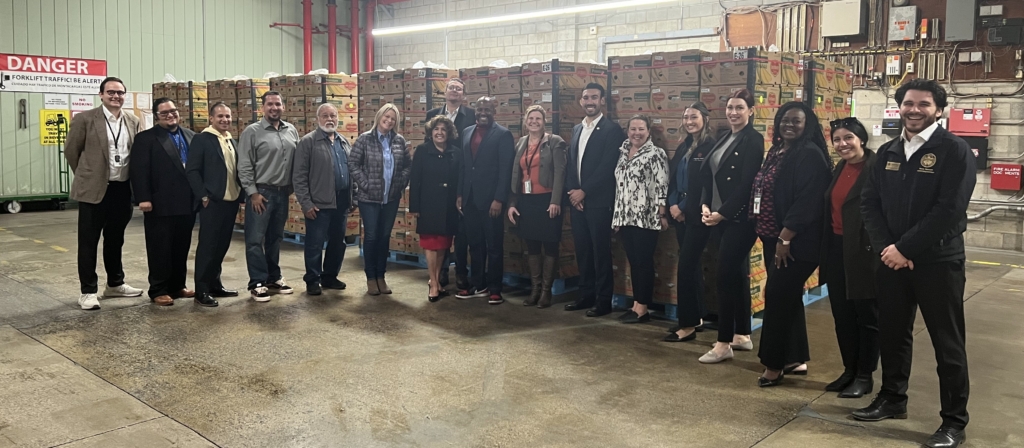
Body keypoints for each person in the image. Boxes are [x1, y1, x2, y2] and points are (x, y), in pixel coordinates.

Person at [855, 79, 975, 448]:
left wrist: (905, 248)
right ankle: (893, 399)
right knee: (892, 333)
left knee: (947, 343)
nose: (914, 110)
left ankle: (954, 422)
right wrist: (886, 248)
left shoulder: (954, 151)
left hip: (938, 262)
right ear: (899, 107)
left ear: (938, 110)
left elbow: (949, 211)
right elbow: (869, 204)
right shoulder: (889, 151)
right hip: (891, 261)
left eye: (924, 104)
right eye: (908, 103)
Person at [751, 102, 832, 387]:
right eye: (785, 120)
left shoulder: (809, 155)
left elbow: (807, 202)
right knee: (787, 297)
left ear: (807, 124)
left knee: (776, 296)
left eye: (796, 121)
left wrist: (786, 237)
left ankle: (773, 365)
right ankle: (795, 357)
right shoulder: (777, 150)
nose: (789, 125)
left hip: (797, 241)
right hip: (776, 237)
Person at [693, 89, 764, 364]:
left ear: (751, 111)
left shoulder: (753, 140)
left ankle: (723, 343)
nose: (734, 112)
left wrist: (722, 213)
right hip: (718, 216)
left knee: (724, 276)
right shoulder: (725, 137)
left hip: (739, 219)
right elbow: (707, 176)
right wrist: (704, 206)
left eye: (739, 108)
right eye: (730, 107)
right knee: (735, 274)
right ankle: (742, 334)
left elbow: (747, 184)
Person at [64, 76, 144, 310]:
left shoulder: (132, 120)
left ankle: (115, 284)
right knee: (88, 241)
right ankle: (88, 291)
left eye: (120, 92)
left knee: (115, 239)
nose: (116, 96)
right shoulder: (85, 119)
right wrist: (87, 175)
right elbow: (71, 151)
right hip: (94, 189)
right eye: (111, 92)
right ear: (101, 95)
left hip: (121, 189)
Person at [819, 117, 879, 397]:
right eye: (838, 140)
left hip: (864, 251)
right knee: (842, 314)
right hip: (836, 247)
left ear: (861, 139)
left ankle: (865, 375)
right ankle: (849, 369)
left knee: (865, 316)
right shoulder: (840, 167)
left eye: (849, 138)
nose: (843, 144)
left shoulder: (876, 168)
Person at [563, 83, 628, 317]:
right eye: (585, 97)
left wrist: (585, 191)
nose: (589, 101)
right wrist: (573, 191)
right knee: (583, 251)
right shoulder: (577, 129)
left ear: (602, 101)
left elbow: (608, 165)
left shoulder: (612, 130)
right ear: (581, 101)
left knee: (600, 252)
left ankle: (603, 300)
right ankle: (585, 295)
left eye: (594, 97)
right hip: (577, 202)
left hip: (599, 202)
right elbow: (571, 163)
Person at [129, 98, 199, 306]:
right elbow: (138, 170)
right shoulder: (146, 139)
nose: (170, 115)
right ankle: (158, 288)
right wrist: (143, 198)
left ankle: (178, 286)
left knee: (181, 246)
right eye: (164, 113)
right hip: (160, 203)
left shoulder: (191, 136)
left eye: (173, 111)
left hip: (186, 203)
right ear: (156, 117)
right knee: (160, 248)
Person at [237, 91, 300, 302]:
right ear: (262, 108)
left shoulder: (291, 130)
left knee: (275, 238)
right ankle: (257, 282)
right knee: (255, 239)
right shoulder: (252, 132)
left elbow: (296, 162)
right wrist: (252, 193)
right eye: (270, 104)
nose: (274, 108)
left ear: (283, 106)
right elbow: (244, 165)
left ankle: (274, 277)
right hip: (261, 194)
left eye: (278, 104)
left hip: (283, 192)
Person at [663, 102, 717, 342]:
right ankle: (696, 317)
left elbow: (705, 185)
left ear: (704, 118)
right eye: (686, 117)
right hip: (680, 214)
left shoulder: (710, 146)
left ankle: (686, 326)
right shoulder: (685, 145)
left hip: (696, 216)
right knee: (691, 267)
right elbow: (673, 178)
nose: (689, 121)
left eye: (693, 117)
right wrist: (673, 204)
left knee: (685, 268)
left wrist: (684, 208)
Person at [454, 97, 516, 305]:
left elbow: (505, 170)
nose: (483, 112)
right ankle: (478, 284)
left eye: (487, 109)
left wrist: (499, 199)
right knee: (475, 244)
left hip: (491, 202)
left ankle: (495, 289)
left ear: (494, 110)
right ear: (475, 111)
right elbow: (463, 166)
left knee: (494, 247)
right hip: (469, 199)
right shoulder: (466, 132)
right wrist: (460, 195)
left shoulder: (503, 134)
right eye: (480, 109)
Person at [507, 105, 568, 308]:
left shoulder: (554, 142)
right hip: (527, 201)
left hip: (547, 200)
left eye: (538, 118)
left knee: (549, 245)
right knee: (532, 246)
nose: (534, 121)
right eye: (531, 118)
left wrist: (555, 201)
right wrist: (513, 203)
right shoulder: (521, 143)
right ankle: (534, 289)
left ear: (544, 121)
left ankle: (546, 292)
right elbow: (515, 175)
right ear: (526, 121)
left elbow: (560, 173)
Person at [611, 115, 669, 324]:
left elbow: (662, 185)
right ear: (628, 131)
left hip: (646, 217)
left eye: (641, 129)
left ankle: (643, 308)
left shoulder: (656, 154)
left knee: (643, 263)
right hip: (626, 217)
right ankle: (636, 305)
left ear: (648, 132)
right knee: (634, 262)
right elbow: (620, 187)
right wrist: (617, 217)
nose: (636, 133)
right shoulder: (623, 152)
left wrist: (662, 214)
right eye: (633, 129)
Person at [185, 101, 243, 307]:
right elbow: (192, 170)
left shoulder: (230, 140)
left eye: (228, 116)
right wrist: (203, 196)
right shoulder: (202, 139)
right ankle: (201, 289)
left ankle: (215, 284)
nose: (225, 120)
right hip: (213, 202)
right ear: (211, 118)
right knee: (208, 246)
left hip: (231, 200)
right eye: (220, 116)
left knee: (222, 246)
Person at [350, 103, 411, 296]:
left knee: (384, 237)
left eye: (393, 118)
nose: (389, 121)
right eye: (386, 116)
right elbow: (353, 163)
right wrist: (365, 184)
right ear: (379, 117)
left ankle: (381, 276)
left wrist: (399, 183)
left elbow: (408, 166)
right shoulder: (365, 140)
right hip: (369, 199)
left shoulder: (399, 141)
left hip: (390, 199)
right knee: (372, 236)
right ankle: (370, 277)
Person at [293, 103, 353, 296]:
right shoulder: (308, 142)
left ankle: (330, 277)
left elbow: (352, 172)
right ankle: (312, 279)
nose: (330, 119)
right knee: (315, 243)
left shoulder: (344, 142)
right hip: (318, 204)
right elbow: (299, 176)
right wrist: (306, 203)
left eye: (333, 116)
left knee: (338, 242)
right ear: (317, 119)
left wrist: (354, 198)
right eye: (325, 116)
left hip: (341, 201)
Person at [427, 78, 476, 291]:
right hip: (439, 181)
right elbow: (428, 147)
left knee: (462, 231)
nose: (454, 91)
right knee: (442, 228)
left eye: (459, 88)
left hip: (461, 177)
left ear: (463, 94)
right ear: (444, 92)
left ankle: (462, 272)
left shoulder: (472, 116)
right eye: (451, 87)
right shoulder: (432, 115)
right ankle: (442, 272)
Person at [409, 116, 462, 302]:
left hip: (449, 206)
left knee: (443, 245)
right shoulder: (422, 151)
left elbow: (459, 180)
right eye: (436, 129)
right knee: (431, 244)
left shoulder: (456, 152)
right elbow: (414, 180)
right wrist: (414, 206)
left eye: (443, 130)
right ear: (431, 132)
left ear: (449, 133)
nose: (439, 133)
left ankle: (438, 280)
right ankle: (432, 282)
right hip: (428, 205)